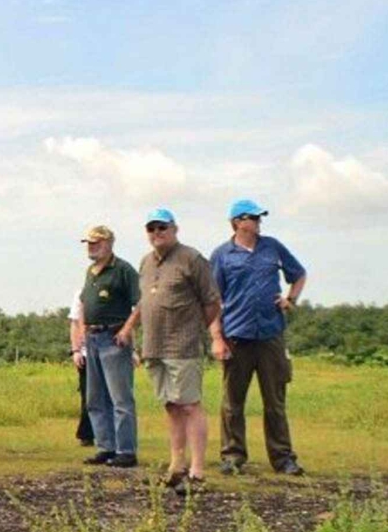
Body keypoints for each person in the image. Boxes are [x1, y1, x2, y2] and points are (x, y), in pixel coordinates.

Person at [121, 208, 226, 493]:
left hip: (183, 346)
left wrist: (196, 329)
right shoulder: (146, 262)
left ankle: (197, 473)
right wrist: (129, 328)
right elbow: (143, 302)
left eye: (162, 227)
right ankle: (176, 467)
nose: (157, 233)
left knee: (190, 405)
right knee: (171, 405)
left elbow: (212, 301)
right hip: (154, 345)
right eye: (151, 228)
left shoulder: (191, 258)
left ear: (174, 229)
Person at [210, 199, 307, 477]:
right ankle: (232, 456)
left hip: (270, 335)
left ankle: (283, 458)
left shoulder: (272, 247)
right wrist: (216, 337)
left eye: (259, 217)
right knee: (232, 402)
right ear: (237, 222)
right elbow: (213, 300)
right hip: (236, 336)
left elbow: (299, 274)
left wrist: (291, 299)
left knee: (275, 401)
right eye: (253, 217)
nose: (258, 222)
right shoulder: (222, 255)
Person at [75, 225, 140, 468]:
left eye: (96, 243)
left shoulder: (123, 269)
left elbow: (140, 303)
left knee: (120, 398)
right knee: (95, 397)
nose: (91, 247)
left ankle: (126, 450)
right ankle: (105, 446)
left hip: (113, 337)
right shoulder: (90, 271)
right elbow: (84, 301)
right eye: (89, 243)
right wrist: (83, 329)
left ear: (109, 243)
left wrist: (126, 330)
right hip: (92, 338)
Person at [67, 293, 94, 446]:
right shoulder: (81, 293)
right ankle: (86, 433)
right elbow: (75, 323)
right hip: (85, 353)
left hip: (108, 350)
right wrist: (76, 350)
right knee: (88, 394)